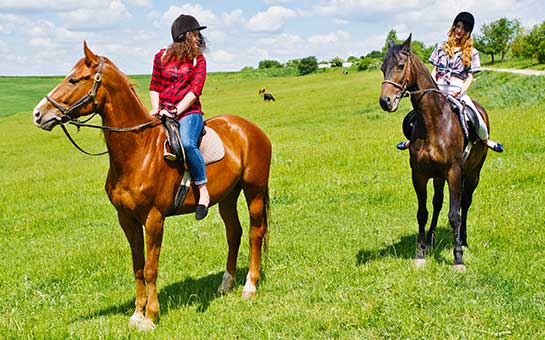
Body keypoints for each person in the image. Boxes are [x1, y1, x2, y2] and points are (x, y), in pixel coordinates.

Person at [396, 11, 504, 153]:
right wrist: (431, 87)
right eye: (457, 26)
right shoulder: (441, 47)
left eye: (464, 29)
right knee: (417, 115)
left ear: (468, 32)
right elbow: (434, 70)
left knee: (477, 118)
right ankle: (412, 141)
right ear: (453, 27)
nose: (459, 31)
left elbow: (470, 77)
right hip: (437, 87)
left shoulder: (472, 52)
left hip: (458, 89)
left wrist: (461, 91)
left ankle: (485, 140)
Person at [149, 14, 210, 220]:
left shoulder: (198, 59)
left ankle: (202, 190)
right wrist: (156, 108)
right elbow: (155, 85)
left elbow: (195, 91)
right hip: (162, 110)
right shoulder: (161, 56)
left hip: (189, 113)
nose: (199, 39)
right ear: (186, 36)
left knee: (187, 142)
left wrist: (176, 110)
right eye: (196, 34)